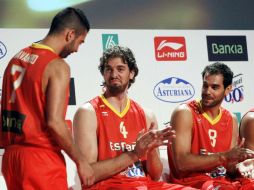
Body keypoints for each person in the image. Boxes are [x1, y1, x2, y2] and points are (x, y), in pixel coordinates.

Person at [73, 45, 195, 189]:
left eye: (120, 69)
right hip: (109, 186)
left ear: (131, 73)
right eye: (108, 69)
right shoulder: (88, 112)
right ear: (103, 74)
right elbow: (89, 174)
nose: (113, 75)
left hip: (144, 185)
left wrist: (150, 152)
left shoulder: (146, 115)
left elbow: (155, 175)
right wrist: (135, 153)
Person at [0, 7, 94, 190]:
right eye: (80, 42)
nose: (77, 49)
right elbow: (55, 122)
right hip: (40, 159)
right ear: (70, 34)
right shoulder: (57, 66)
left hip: (11, 159)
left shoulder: (17, 57)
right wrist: (82, 161)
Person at [167, 62, 254, 189]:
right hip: (192, 182)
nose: (207, 91)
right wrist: (223, 156)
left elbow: (228, 166)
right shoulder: (185, 112)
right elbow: (181, 162)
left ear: (228, 89)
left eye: (214, 87)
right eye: (205, 85)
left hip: (223, 181)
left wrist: (240, 166)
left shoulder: (231, 119)